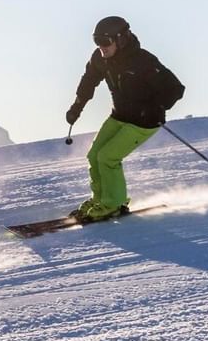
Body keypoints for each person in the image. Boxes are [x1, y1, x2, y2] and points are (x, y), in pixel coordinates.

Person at [65, 16, 185, 222]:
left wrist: (155, 108)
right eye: (97, 41)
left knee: (108, 157)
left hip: (144, 121)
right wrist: (77, 107)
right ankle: (100, 199)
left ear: (120, 39)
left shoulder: (143, 61)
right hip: (119, 115)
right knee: (94, 155)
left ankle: (113, 204)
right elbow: (88, 82)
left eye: (105, 41)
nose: (101, 47)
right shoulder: (100, 59)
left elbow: (175, 89)